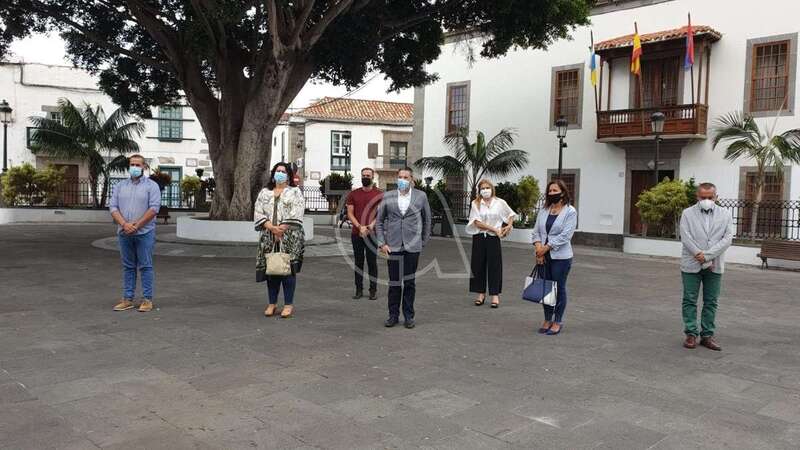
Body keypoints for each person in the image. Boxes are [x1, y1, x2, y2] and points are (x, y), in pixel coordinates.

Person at [678, 182, 733, 351]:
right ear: (697, 197)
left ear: (716, 197)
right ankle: (691, 334)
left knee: (711, 301)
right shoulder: (687, 213)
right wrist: (699, 255)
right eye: (703, 197)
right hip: (691, 264)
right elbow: (685, 237)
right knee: (689, 300)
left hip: (714, 265)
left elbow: (727, 238)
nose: (707, 200)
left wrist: (707, 256)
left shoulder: (725, 214)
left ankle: (707, 335)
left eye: (710, 197)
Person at [375, 167, 432, 329]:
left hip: (413, 247)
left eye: (405, 177)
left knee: (409, 282)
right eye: (400, 177)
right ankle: (393, 315)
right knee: (394, 283)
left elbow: (427, 220)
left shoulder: (421, 196)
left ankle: (408, 316)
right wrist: (382, 243)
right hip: (392, 246)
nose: (402, 180)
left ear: (411, 179)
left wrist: (423, 241)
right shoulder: (388, 196)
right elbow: (379, 221)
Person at [109, 154, 162, 312]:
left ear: (144, 167)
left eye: (138, 165)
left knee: (145, 266)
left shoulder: (152, 186)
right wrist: (125, 224)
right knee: (128, 266)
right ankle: (128, 299)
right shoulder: (120, 186)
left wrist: (137, 225)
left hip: (145, 232)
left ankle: (147, 299)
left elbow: (154, 208)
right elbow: (113, 207)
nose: (135, 167)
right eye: (132, 164)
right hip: (124, 232)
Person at [254, 162, 306, 318]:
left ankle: (288, 305)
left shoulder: (295, 192)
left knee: (287, 271)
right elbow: (258, 211)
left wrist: (281, 229)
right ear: (273, 173)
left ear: (288, 175)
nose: (280, 173)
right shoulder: (264, 192)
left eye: (283, 171)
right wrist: (271, 228)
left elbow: (297, 211)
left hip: (289, 237)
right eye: (278, 171)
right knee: (272, 270)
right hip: (268, 236)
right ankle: (272, 303)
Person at [532, 179, 577, 335]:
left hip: (561, 258)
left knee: (559, 288)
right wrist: (538, 249)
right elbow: (536, 231)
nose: (552, 193)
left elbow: (566, 235)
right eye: (549, 191)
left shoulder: (570, 211)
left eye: (555, 191)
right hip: (543, 256)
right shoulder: (544, 210)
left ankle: (557, 320)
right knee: (546, 289)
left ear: (563, 192)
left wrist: (545, 248)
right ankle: (547, 319)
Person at [465, 179, 517, 308]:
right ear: (479, 191)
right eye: (482, 188)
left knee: (495, 265)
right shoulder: (475, 203)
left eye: (487, 188)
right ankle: (480, 294)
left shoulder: (499, 203)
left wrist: (509, 226)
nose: (485, 190)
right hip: (479, 236)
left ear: (492, 189)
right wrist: (494, 229)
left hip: (494, 238)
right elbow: (476, 222)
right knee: (478, 265)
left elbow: (510, 214)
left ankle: (495, 295)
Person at [346, 168, 384, 300]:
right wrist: (359, 227)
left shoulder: (379, 194)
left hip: (372, 234)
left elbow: (381, 214)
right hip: (357, 234)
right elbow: (350, 213)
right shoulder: (353, 194)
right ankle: (358, 289)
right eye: (363, 175)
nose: (365, 177)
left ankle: (373, 290)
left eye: (368, 175)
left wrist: (370, 226)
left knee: (372, 262)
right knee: (358, 262)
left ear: (373, 177)